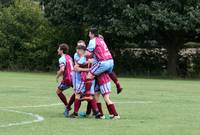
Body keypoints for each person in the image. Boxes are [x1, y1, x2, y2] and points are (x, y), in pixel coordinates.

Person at [84, 28, 122, 97]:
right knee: (109, 72)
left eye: (89, 33)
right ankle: (118, 84)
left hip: (103, 62)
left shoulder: (93, 41)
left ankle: (87, 94)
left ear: (92, 34)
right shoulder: (101, 40)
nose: (88, 35)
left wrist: (82, 54)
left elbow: (87, 54)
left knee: (89, 75)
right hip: (110, 61)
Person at [56, 43, 74, 117]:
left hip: (67, 79)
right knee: (77, 93)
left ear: (62, 50)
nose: (57, 50)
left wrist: (57, 75)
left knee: (58, 91)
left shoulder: (61, 58)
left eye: (59, 49)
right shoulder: (69, 57)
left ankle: (67, 106)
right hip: (74, 77)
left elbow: (62, 69)